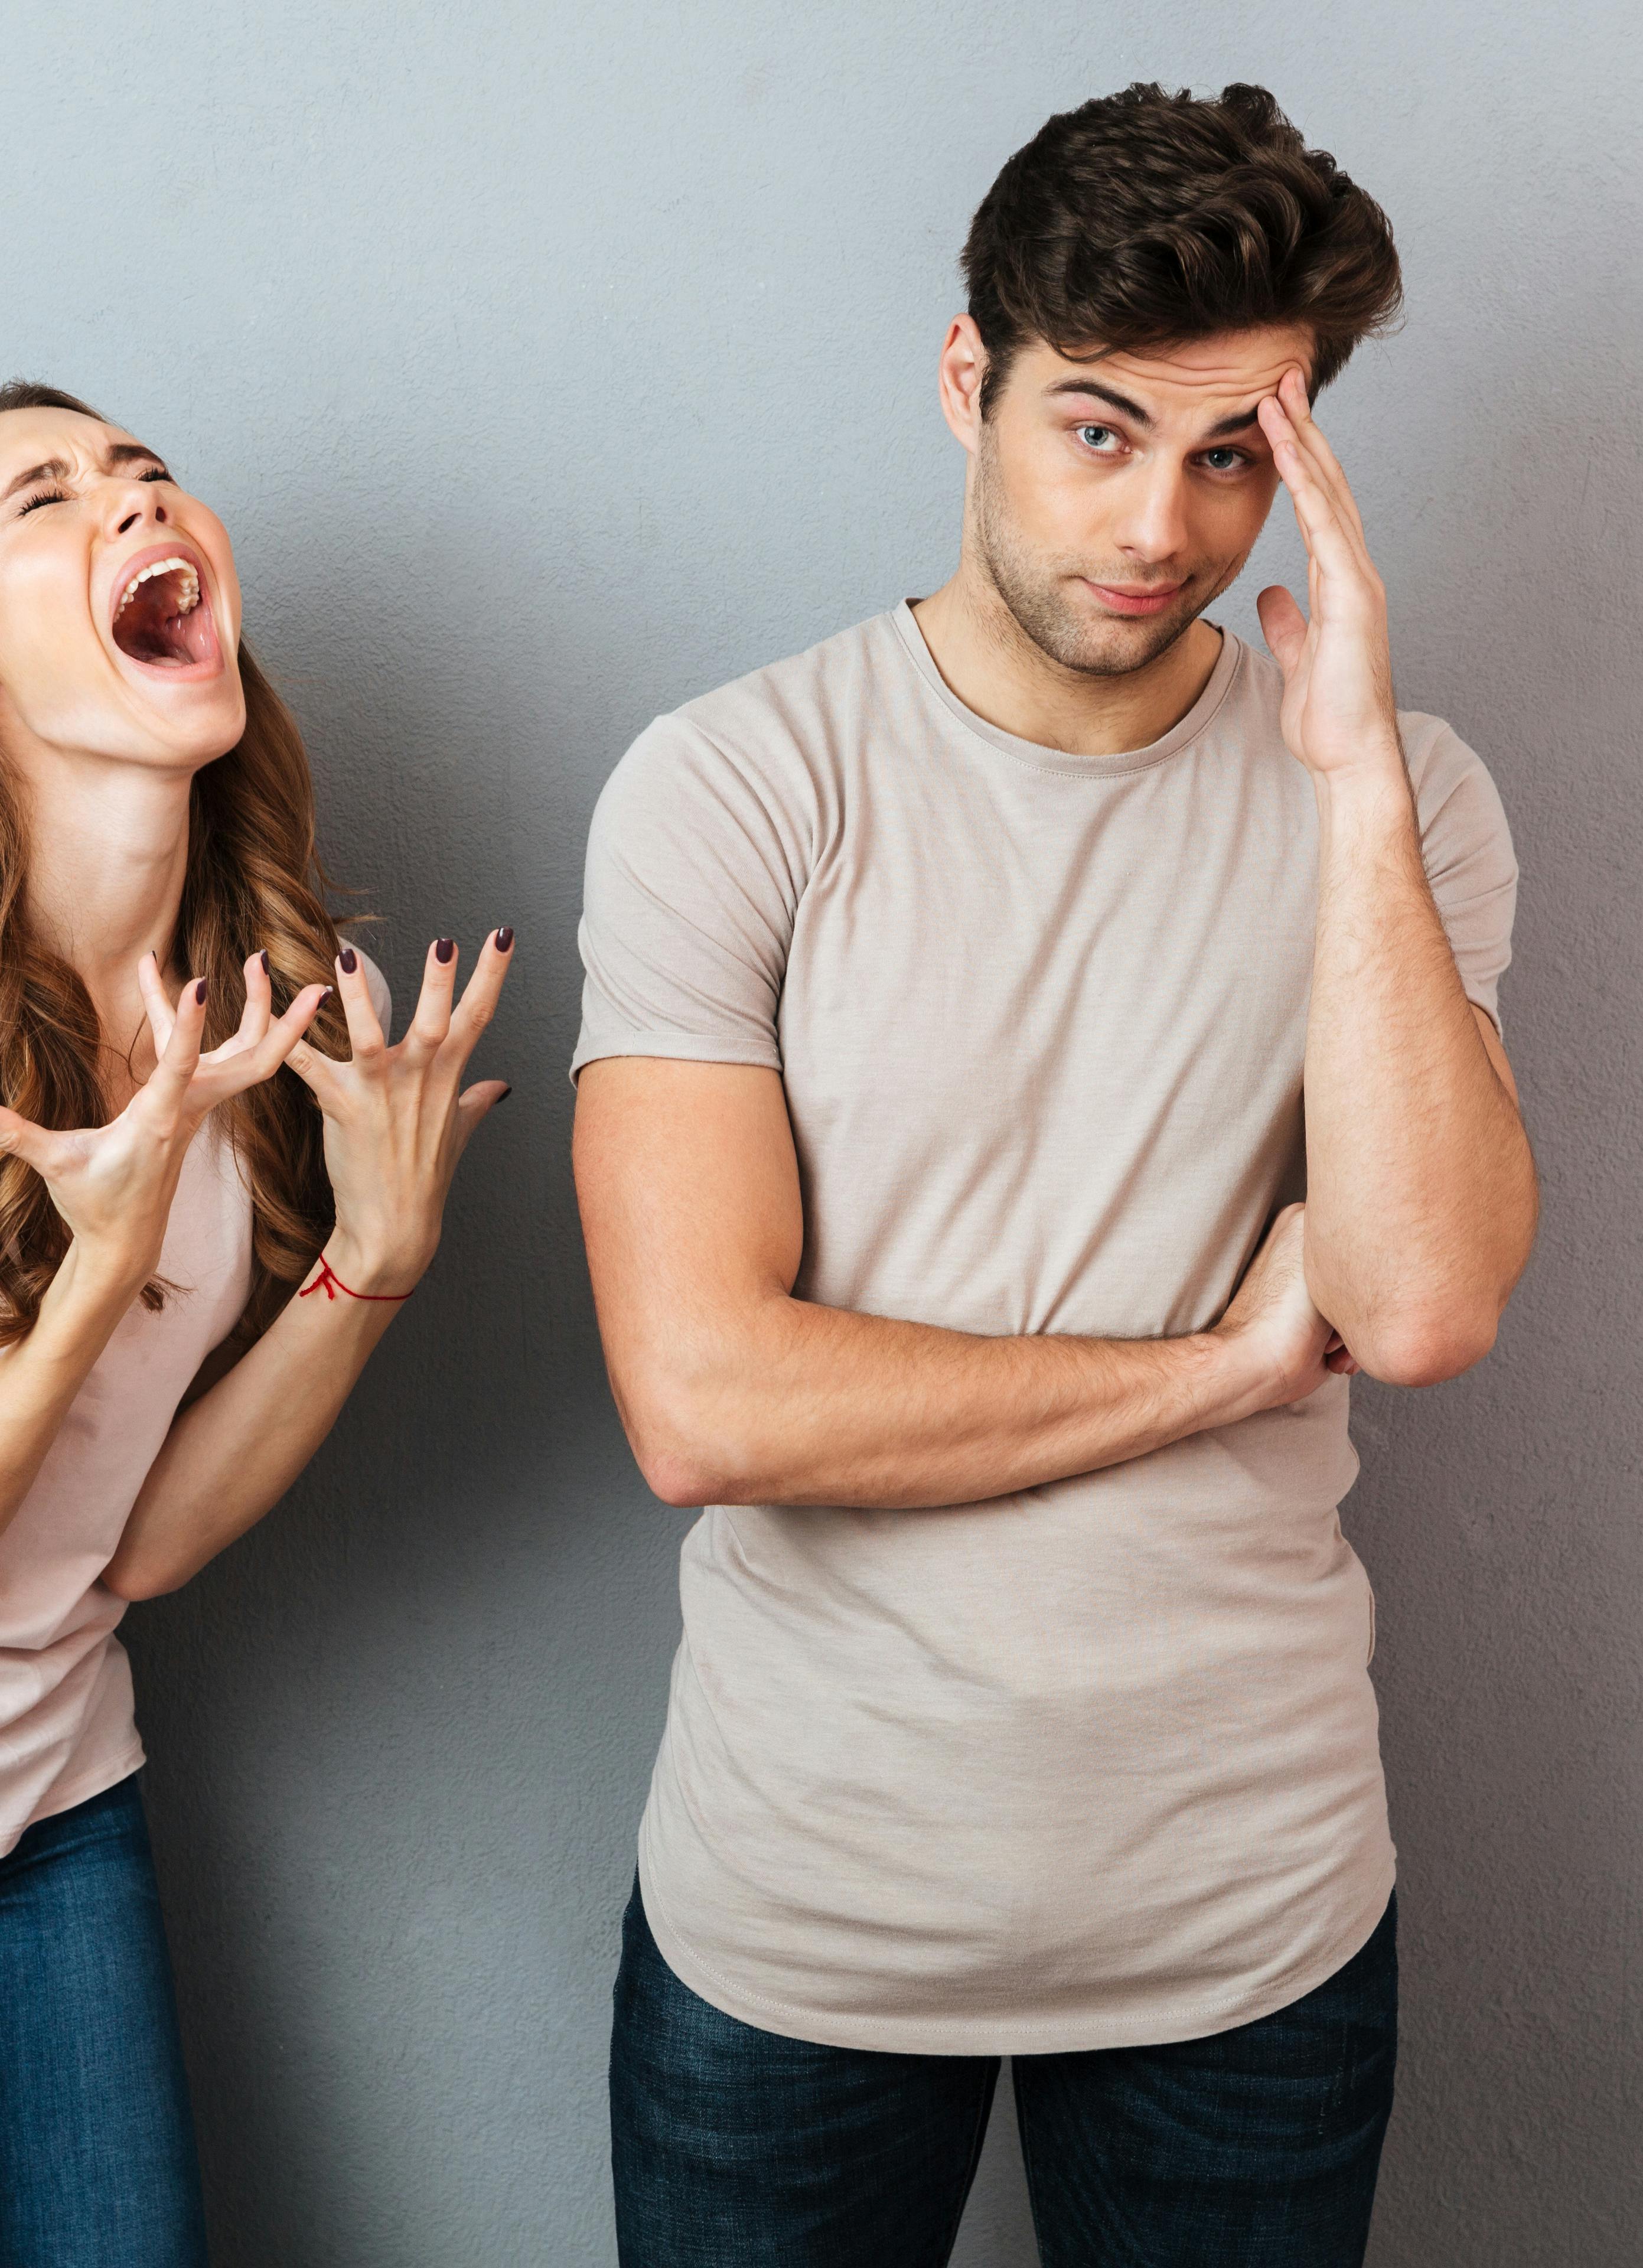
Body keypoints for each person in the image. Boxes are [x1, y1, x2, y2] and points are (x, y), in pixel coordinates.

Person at [573, 82, 1537, 2267]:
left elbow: (1421, 1302)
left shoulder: (1405, 800)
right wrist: (1219, 1371)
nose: (1164, 525)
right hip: (801, 1920)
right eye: (1097, 431)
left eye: (1236, 454)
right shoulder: (737, 786)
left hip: (1250, 1918)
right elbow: (705, 1404)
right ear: (967, 379)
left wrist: (1353, 791)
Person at [0, 381, 512, 2267]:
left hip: (53, 1794)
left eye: (144, 473)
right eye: (42, 500)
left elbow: (130, 1545)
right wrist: (90, 1275)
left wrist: (372, 1258)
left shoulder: (259, 1020)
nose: (134, 501)